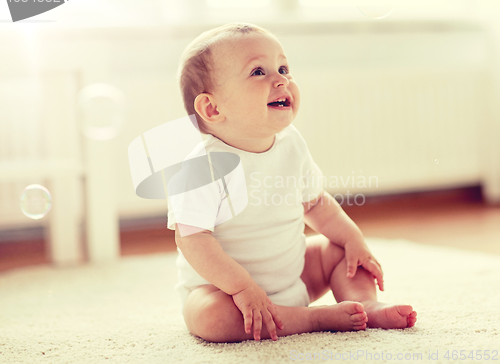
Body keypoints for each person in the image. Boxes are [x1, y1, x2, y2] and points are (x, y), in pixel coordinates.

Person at [167, 22, 417, 343]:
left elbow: (315, 203)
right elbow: (193, 240)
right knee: (210, 317)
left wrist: (353, 238)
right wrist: (243, 287)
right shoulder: (202, 167)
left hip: (293, 278)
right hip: (227, 293)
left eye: (283, 68)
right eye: (258, 72)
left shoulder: (291, 143)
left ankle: (364, 304)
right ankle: (311, 319)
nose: (281, 79)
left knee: (341, 250)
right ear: (213, 108)